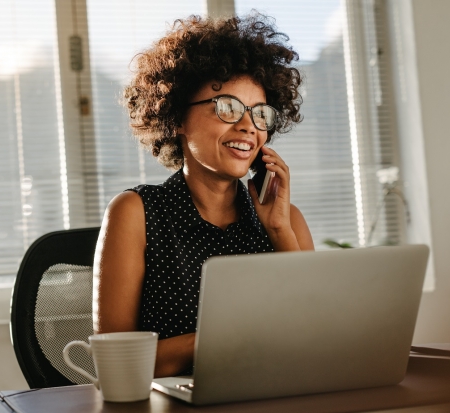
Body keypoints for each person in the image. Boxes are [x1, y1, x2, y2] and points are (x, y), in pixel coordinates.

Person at [92, 13, 314, 378]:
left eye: (260, 114)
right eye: (227, 107)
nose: (248, 126)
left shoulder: (286, 221)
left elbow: (318, 340)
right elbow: (115, 364)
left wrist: (279, 232)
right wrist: (228, 336)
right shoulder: (136, 213)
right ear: (176, 117)